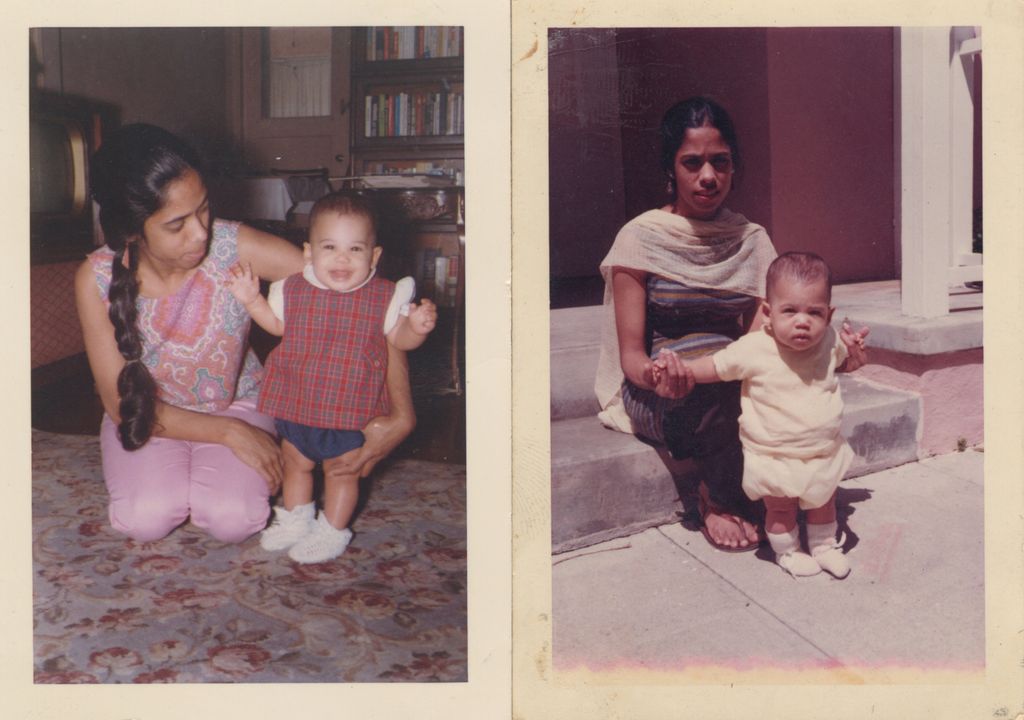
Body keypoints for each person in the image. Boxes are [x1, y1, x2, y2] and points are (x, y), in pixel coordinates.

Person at [75, 123, 416, 545]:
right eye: (177, 224)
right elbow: (121, 405)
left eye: (203, 208)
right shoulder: (95, 279)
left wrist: (400, 412)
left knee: (235, 519)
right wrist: (231, 434)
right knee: (145, 519)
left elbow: (362, 301)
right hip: (148, 415)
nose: (201, 232)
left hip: (237, 401)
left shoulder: (233, 246)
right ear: (132, 230)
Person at [595, 97, 867, 552]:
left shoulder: (750, 239)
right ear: (671, 168)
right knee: (714, 393)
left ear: (734, 166)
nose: (708, 177)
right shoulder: (641, 237)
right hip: (658, 389)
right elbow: (632, 357)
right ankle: (715, 499)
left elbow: (769, 336)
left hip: (727, 379)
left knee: (753, 389)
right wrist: (660, 379)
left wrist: (839, 356)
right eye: (692, 163)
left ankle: (794, 491)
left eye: (720, 162)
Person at [227, 193, 437, 563]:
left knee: (342, 473)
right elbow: (275, 326)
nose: (342, 258)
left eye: (355, 249)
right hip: (296, 403)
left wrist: (416, 328)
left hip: (350, 411)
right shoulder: (290, 289)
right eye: (330, 247)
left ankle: (332, 530)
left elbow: (398, 340)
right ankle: (296, 519)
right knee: (296, 463)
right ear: (309, 253)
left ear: (373, 256)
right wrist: (251, 300)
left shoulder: (385, 297)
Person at [667, 252, 868, 577]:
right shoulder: (755, 348)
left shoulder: (829, 340)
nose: (802, 321)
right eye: (789, 310)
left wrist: (855, 353)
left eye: (814, 312)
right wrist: (685, 371)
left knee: (823, 502)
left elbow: (843, 361)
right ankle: (787, 553)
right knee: (781, 508)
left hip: (821, 449)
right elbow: (716, 367)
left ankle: (823, 547)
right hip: (773, 453)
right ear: (767, 313)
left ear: (829, 315)